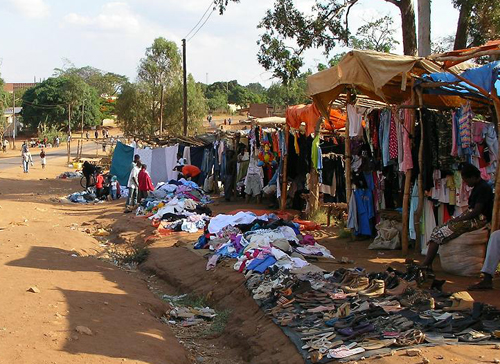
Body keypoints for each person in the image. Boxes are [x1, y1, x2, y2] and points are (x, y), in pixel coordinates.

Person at [421, 163, 494, 270]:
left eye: (466, 180)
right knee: (438, 229)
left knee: (439, 234)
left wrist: (460, 219)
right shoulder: (479, 186)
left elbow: (476, 211)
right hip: (473, 218)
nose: (465, 183)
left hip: (478, 220)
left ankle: (426, 264)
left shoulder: (483, 188)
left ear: (473, 177)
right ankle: (427, 263)